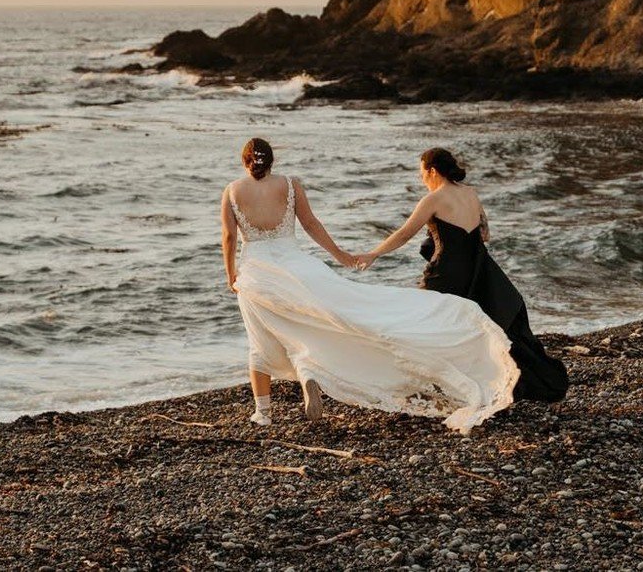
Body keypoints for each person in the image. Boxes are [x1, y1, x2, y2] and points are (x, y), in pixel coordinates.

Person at [220, 137, 518, 432]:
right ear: (272, 160)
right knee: (320, 319)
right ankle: (307, 369)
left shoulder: (232, 191)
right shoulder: (289, 184)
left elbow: (230, 237)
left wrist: (231, 274)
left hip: (257, 271)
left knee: (261, 337)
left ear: (244, 161)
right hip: (297, 264)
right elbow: (311, 224)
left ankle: (263, 413)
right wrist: (340, 255)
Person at [355, 147, 569, 403]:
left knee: (423, 325)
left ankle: (426, 385)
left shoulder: (433, 199)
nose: (421, 178)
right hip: (478, 270)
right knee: (473, 327)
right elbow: (485, 234)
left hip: (446, 273)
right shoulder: (470, 192)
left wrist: (373, 254)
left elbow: (404, 234)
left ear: (432, 171)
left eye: (421, 172)